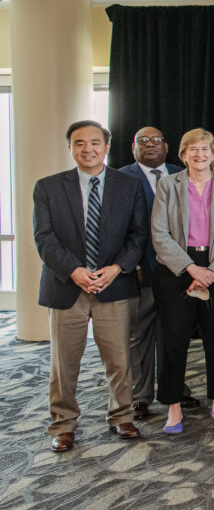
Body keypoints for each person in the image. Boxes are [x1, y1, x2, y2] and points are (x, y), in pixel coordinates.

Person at [33, 121, 147, 451]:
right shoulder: (48, 187)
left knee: (119, 359)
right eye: (79, 143)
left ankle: (122, 416)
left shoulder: (129, 186)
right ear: (70, 148)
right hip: (66, 286)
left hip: (114, 284)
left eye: (95, 142)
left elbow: (138, 236)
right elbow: (44, 238)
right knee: (64, 362)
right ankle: (63, 424)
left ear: (107, 147)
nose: (88, 149)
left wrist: (116, 268)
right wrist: (74, 271)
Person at [150, 129, 214, 434]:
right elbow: (160, 235)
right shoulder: (167, 185)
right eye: (192, 150)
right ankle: (174, 408)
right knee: (174, 341)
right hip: (177, 269)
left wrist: (212, 272)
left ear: (213, 154)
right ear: (182, 155)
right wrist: (191, 269)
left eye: (205, 149)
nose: (199, 155)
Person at [118, 126, 187, 419]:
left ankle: (175, 389)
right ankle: (140, 395)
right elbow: (117, 228)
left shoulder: (182, 174)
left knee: (173, 333)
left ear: (167, 146)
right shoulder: (121, 178)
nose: (150, 145)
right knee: (140, 334)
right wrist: (131, 265)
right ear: (133, 147)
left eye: (156, 140)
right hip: (141, 270)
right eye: (142, 141)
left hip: (178, 270)